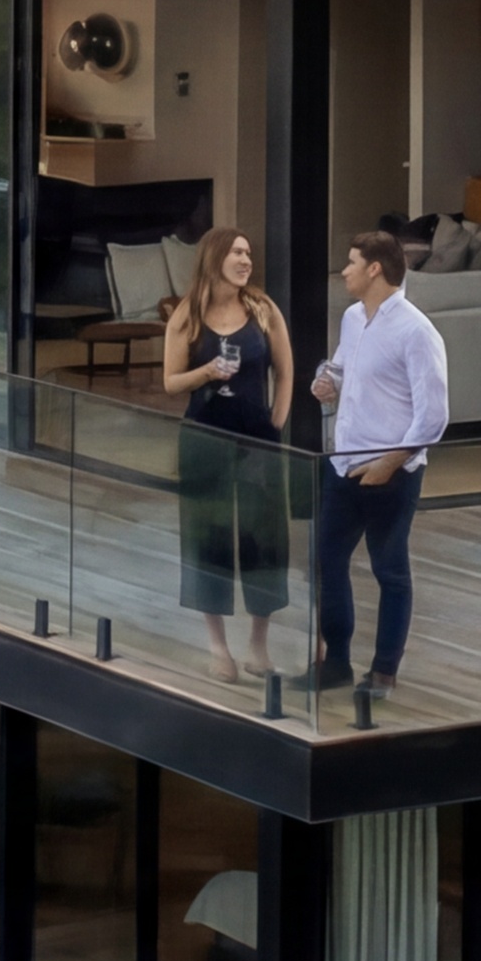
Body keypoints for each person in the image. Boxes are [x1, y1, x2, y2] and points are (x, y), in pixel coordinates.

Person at [308, 224, 449, 696]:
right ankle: (336, 664)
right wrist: (327, 382)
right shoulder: (352, 318)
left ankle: (384, 673)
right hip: (343, 464)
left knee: (389, 570)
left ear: (373, 269)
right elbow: (340, 368)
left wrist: (391, 462)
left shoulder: (416, 332)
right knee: (327, 562)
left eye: (350, 263)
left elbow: (434, 415)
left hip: (391, 473)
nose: (343, 271)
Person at [160, 230, 291, 680]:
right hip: (204, 440)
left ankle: (258, 647)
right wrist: (206, 372)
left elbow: (286, 371)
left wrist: (276, 421)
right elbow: (171, 382)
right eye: (237, 252)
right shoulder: (187, 315)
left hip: (258, 443)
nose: (245, 260)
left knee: (264, 538)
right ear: (215, 258)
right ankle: (218, 648)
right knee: (207, 538)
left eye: (248, 253)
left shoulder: (263, 309)